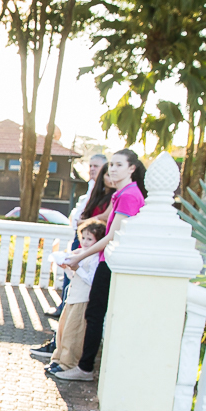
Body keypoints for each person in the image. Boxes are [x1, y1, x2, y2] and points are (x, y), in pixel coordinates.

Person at [54, 148, 147, 381]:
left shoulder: (129, 195)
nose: (112, 169)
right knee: (94, 313)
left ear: (132, 169)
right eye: (111, 165)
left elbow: (112, 236)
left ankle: (84, 368)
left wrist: (80, 257)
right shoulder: (122, 194)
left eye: (118, 165)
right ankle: (83, 365)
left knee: (94, 314)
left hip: (111, 261)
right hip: (107, 259)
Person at [31, 164, 115, 358]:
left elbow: (105, 219)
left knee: (80, 312)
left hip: (94, 247)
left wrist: (86, 226)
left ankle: (69, 355)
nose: (110, 177)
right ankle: (58, 347)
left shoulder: (116, 197)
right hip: (86, 240)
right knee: (69, 296)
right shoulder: (98, 193)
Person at [51, 154, 108, 318]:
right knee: (69, 268)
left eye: (96, 166)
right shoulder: (91, 187)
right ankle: (64, 305)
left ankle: (70, 309)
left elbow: (104, 216)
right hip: (80, 235)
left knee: (80, 272)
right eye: (90, 166)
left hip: (92, 239)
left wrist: (86, 221)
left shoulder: (106, 193)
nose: (92, 169)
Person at [45, 222, 105, 373]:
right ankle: (58, 358)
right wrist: (67, 268)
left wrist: (77, 267)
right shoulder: (79, 253)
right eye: (83, 238)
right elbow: (73, 276)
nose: (85, 242)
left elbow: (91, 280)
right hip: (72, 296)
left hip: (82, 298)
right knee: (63, 330)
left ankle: (68, 363)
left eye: (89, 239)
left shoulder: (95, 258)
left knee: (73, 333)